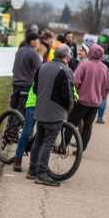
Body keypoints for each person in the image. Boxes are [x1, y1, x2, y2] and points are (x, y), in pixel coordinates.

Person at [27, 45, 75, 187]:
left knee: (39, 140)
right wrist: (69, 108)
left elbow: (35, 89)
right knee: (48, 142)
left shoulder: (42, 66)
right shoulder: (66, 71)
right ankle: (42, 174)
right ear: (66, 57)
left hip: (40, 109)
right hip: (55, 112)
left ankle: (32, 170)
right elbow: (68, 94)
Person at [68, 44, 109, 151]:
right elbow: (108, 87)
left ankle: (63, 145)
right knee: (88, 126)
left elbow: (75, 81)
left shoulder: (84, 65)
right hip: (95, 103)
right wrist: (101, 97)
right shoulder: (104, 68)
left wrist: (75, 94)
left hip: (81, 101)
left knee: (71, 123)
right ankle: (81, 149)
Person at [10, 31, 42, 112]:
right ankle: (18, 124)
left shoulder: (20, 50)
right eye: (37, 40)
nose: (38, 42)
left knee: (14, 108)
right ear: (32, 42)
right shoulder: (33, 52)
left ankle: (10, 124)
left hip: (16, 83)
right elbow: (40, 69)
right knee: (22, 110)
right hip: (26, 84)